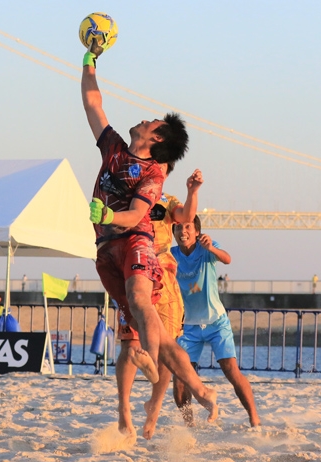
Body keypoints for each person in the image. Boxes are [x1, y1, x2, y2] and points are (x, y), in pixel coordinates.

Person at [82, 37, 217, 427]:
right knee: (146, 332)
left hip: (135, 243)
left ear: (156, 139)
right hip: (106, 248)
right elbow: (92, 103)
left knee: (142, 305)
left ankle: (156, 379)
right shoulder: (113, 147)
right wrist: (89, 62)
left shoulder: (155, 174)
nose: (145, 118)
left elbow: (137, 215)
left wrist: (109, 212)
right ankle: (196, 390)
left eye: (152, 122)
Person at [116, 164, 204, 439]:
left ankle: (153, 408)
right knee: (130, 344)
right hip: (133, 269)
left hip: (163, 273)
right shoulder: (127, 194)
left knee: (167, 346)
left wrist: (193, 192)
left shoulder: (168, 200)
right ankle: (124, 409)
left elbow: (186, 216)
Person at [172, 216, 261, 427]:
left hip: (216, 322)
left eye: (188, 227)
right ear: (173, 232)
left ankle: (254, 418)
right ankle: (189, 426)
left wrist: (211, 247)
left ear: (196, 232)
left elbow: (227, 259)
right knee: (180, 379)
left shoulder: (206, 248)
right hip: (188, 326)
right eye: (178, 228)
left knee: (231, 370)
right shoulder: (171, 254)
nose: (183, 231)